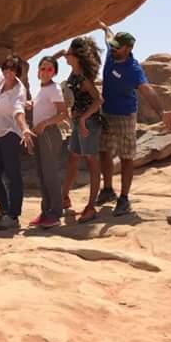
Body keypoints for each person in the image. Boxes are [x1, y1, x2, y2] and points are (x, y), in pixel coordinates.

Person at [95, 21, 171, 216]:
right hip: (107, 112)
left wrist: (161, 112)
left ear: (128, 49)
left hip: (125, 115)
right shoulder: (111, 51)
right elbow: (109, 36)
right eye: (113, 46)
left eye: (117, 47)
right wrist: (104, 27)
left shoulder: (134, 70)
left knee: (126, 157)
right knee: (104, 151)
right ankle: (107, 190)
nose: (113, 49)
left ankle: (124, 199)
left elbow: (148, 91)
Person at [0, 39, 35, 231]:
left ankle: (13, 216)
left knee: (13, 175)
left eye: (12, 69)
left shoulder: (19, 90)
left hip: (11, 134)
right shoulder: (2, 80)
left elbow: (18, 111)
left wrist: (25, 128)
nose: (8, 72)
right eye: (6, 68)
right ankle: (4, 209)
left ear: (18, 72)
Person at [58, 37, 104, 223]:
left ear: (76, 57)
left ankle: (91, 207)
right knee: (72, 158)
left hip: (89, 123)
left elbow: (99, 100)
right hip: (78, 123)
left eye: (68, 54)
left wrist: (84, 119)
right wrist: (61, 53)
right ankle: (64, 198)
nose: (65, 56)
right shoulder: (73, 74)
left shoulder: (83, 78)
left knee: (92, 162)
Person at [29, 56, 69, 229]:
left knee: (50, 174)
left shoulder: (54, 89)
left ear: (55, 72)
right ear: (38, 71)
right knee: (42, 173)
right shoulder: (42, 89)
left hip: (49, 134)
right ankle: (46, 211)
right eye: (42, 68)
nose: (45, 72)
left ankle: (55, 213)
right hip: (39, 134)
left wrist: (44, 123)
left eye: (49, 69)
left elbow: (63, 114)